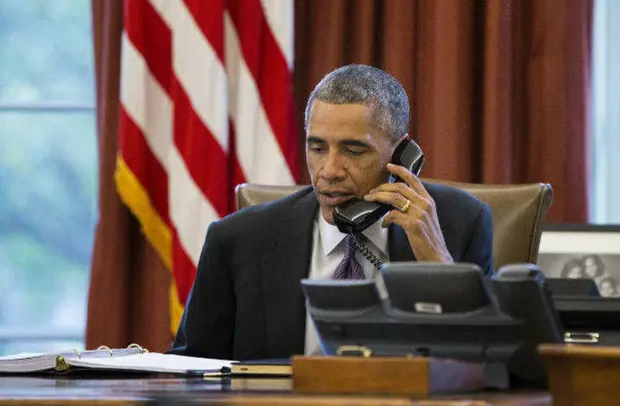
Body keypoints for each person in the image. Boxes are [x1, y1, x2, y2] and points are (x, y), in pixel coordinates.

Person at [169, 64, 494, 360]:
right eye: (318, 148)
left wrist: (439, 266)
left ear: (401, 153)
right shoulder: (237, 240)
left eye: (353, 150)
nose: (329, 170)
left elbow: (490, 365)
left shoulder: (461, 223)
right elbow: (190, 370)